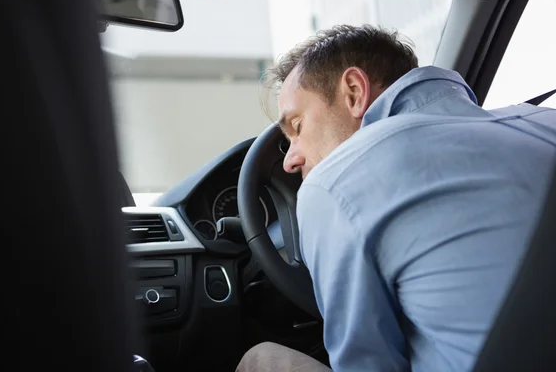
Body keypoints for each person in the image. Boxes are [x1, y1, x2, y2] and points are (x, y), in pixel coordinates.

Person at [235, 24, 556, 372]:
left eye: (297, 127)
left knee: (260, 359)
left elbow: (369, 366)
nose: (289, 159)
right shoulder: (543, 122)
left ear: (355, 92)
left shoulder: (334, 184)